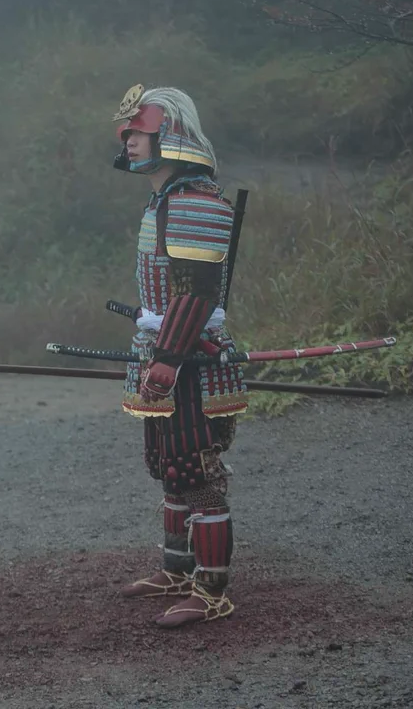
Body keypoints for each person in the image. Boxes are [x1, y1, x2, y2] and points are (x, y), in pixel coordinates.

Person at [109, 84, 248, 628]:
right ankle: (176, 569)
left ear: (170, 138)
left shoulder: (193, 201)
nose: (130, 143)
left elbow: (196, 295)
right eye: (127, 134)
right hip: (164, 350)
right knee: (170, 467)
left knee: (199, 471)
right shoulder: (164, 199)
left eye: (138, 133)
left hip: (191, 359)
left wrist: (167, 359)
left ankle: (212, 590)